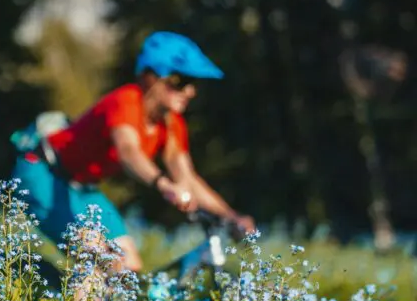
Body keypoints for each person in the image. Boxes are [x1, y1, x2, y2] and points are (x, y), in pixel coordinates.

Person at [13, 31, 255, 275]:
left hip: (83, 188)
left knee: (129, 265)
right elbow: (128, 151)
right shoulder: (126, 102)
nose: (190, 91)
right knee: (103, 259)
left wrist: (231, 216)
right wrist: (164, 185)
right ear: (152, 77)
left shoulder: (171, 124)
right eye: (181, 81)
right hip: (44, 173)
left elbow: (188, 178)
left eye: (194, 84)